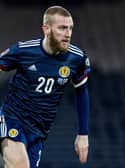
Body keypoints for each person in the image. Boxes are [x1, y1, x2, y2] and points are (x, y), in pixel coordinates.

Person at [0, 6, 90, 168]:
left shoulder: (77, 59)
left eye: (70, 28)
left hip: (39, 130)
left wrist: (83, 134)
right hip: (12, 119)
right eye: (62, 28)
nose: (68, 33)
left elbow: (82, 91)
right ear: (46, 29)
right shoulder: (23, 51)